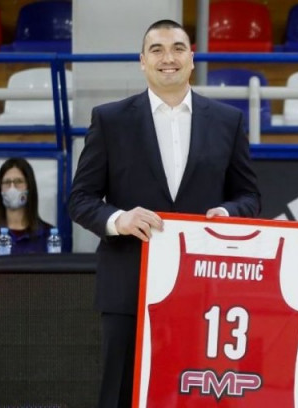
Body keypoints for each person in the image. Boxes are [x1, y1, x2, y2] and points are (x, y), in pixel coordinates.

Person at [68, 19, 260, 407]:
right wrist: (118, 220)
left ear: (192, 58)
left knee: (192, 397)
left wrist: (228, 213)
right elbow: (80, 199)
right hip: (128, 287)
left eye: (177, 48)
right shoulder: (110, 120)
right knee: (120, 394)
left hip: (202, 290)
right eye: (156, 50)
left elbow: (249, 196)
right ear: (142, 61)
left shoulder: (227, 121)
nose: (167, 57)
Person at [0, 157, 52, 255]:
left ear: (29, 187)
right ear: (0, 189)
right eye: (7, 182)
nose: (12, 188)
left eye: (18, 181)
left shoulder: (47, 235)